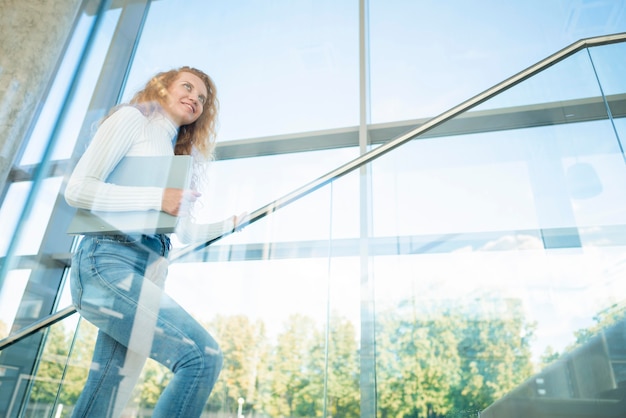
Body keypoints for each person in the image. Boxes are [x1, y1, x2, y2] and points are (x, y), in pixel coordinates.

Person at [64, 66, 247, 418]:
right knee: (201, 357)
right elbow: (78, 190)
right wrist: (156, 197)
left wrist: (231, 225)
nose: (195, 98)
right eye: (188, 87)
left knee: (106, 390)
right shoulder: (132, 120)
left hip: (148, 268)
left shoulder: (174, 156)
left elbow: (185, 232)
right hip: (108, 260)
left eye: (203, 98)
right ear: (162, 88)